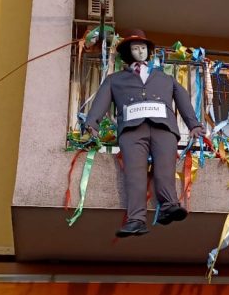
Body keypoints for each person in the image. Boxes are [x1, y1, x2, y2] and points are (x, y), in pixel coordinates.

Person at [84, 29, 204, 237]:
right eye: (135, 48)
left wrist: (193, 125)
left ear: (148, 51)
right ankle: (136, 219)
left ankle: (169, 206)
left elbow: (183, 99)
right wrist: (92, 123)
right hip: (132, 130)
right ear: (128, 53)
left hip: (163, 128)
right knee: (134, 174)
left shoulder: (165, 78)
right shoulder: (114, 79)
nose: (140, 51)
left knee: (165, 168)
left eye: (143, 47)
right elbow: (101, 101)